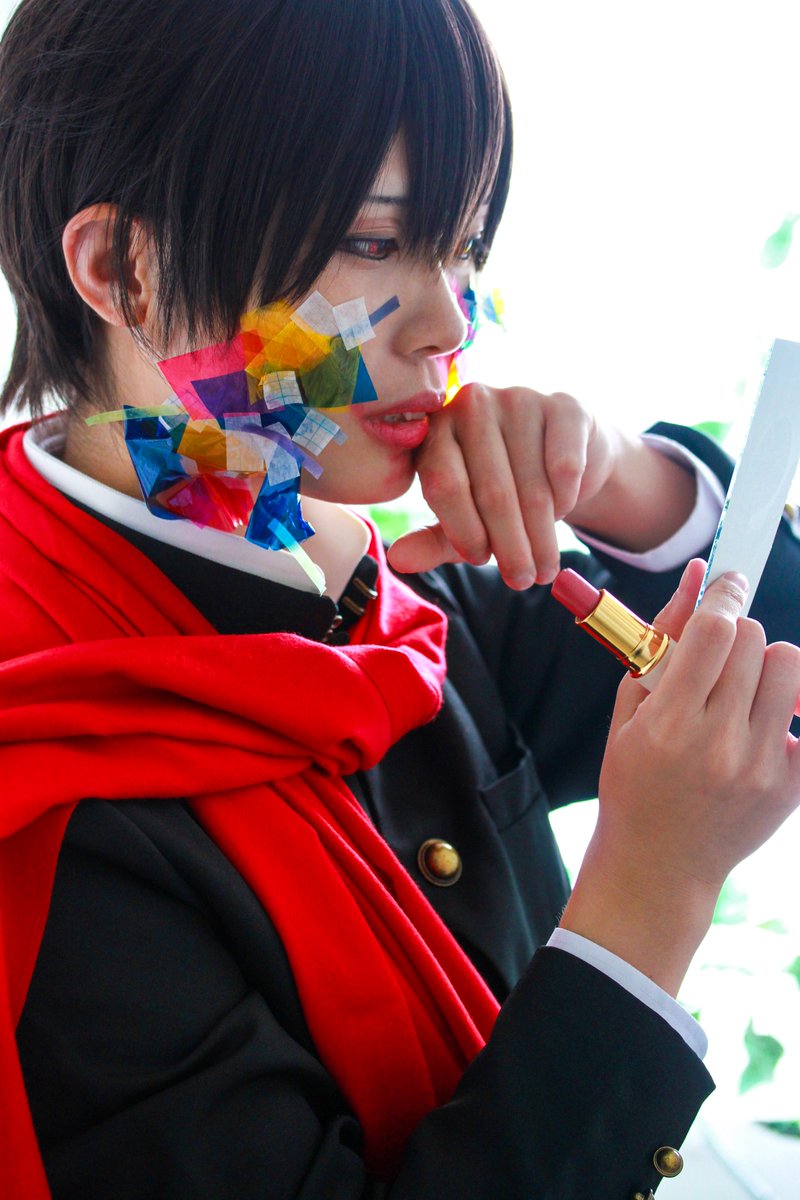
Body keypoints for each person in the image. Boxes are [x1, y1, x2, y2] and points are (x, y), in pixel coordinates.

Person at [0, 1, 799, 1197]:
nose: (449, 320)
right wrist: (652, 893)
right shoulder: (43, 778)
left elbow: (774, 675)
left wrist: (621, 482)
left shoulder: (393, 561)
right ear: (124, 270)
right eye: (372, 243)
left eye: (462, 244)